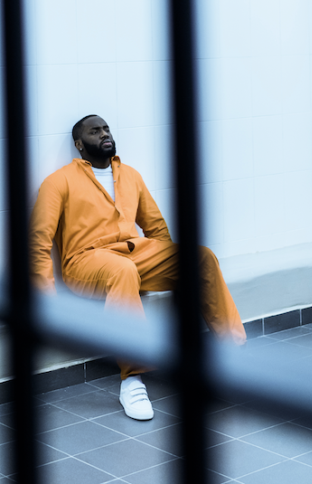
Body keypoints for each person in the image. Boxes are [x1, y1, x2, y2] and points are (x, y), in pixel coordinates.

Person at [29, 114, 247, 420]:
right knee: (122, 271)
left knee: (202, 257)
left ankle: (234, 355)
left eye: (106, 128)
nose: (104, 134)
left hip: (135, 253)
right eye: (94, 131)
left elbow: (155, 228)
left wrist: (171, 268)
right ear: (79, 144)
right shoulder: (58, 182)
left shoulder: (130, 175)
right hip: (86, 259)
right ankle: (132, 379)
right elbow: (38, 242)